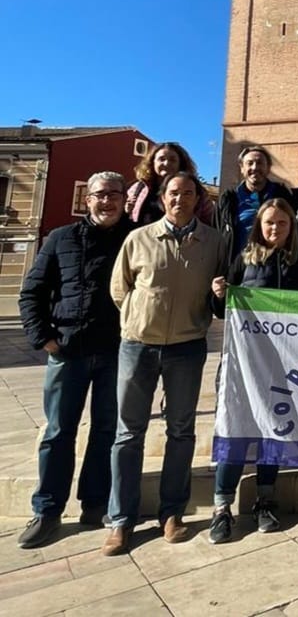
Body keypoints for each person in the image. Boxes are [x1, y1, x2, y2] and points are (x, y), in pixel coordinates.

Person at [102, 173, 224, 555]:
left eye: (188, 193)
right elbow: (119, 289)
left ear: (197, 199)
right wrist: (140, 319)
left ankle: (172, 513)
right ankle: (121, 519)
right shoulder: (138, 238)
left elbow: (218, 292)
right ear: (162, 197)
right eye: (174, 192)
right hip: (138, 346)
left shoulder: (214, 242)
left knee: (181, 431)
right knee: (128, 433)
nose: (180, 199)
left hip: (187, 347)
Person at [16, 171, 134, 548]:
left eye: (114, 194)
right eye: (100, 194)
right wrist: (44, 338)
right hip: (68, 350)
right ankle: (47, 510)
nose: (107, 201)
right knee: (57, 432)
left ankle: (95, 503)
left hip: (117, 350)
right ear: (88, 199)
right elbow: (31, 292)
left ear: (125, 200)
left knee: (106, 430)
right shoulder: (60, 238)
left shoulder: (136, 238)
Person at [208, 198, 298, 542]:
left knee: (273, 430)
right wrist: (218, 294)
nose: (275, 229)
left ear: (291, 226)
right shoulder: (244, 259)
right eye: (269, 223)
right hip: (243, 364)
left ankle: (265, 500)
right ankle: (222, 507)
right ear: (258, 226)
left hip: (282, 365)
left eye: (282, 223)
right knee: (235, 429)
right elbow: (222, 310)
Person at [216, 145, 293, 259]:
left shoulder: (282, 195)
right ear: (242, 168)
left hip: (274, 263)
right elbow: (216, 234)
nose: (255, 167)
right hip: (237, 265)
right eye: (250, 163)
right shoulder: (228, 199)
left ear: (268, 168)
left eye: (260, 163)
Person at [126, 141, 214, 226]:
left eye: (172, 160)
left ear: (180, 164)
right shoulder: (138, 188)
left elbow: (211, 221)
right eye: (161, 159)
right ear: (152, 162)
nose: (166, 163)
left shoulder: (197, 191)